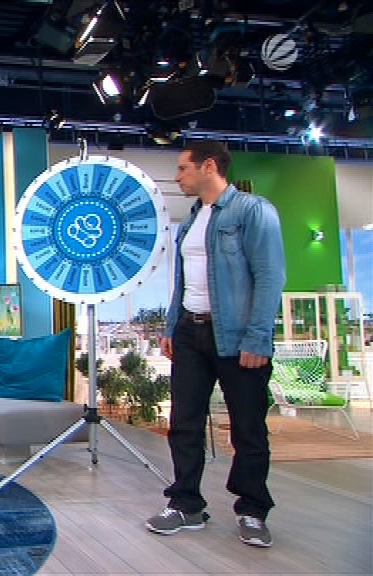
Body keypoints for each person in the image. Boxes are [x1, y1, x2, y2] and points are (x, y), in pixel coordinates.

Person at [145, 141, 285, 548]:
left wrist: (258, 337)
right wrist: (171, 327)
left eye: (183, 168)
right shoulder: (190, 220)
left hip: (238, 336)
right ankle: (185, 504)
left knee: (248, 427)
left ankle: (252, 509)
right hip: (190, 333)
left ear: (209, 166)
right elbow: (183, 282)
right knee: (183, 423)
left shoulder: (253, 211)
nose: (177, 176)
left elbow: (270, 277)